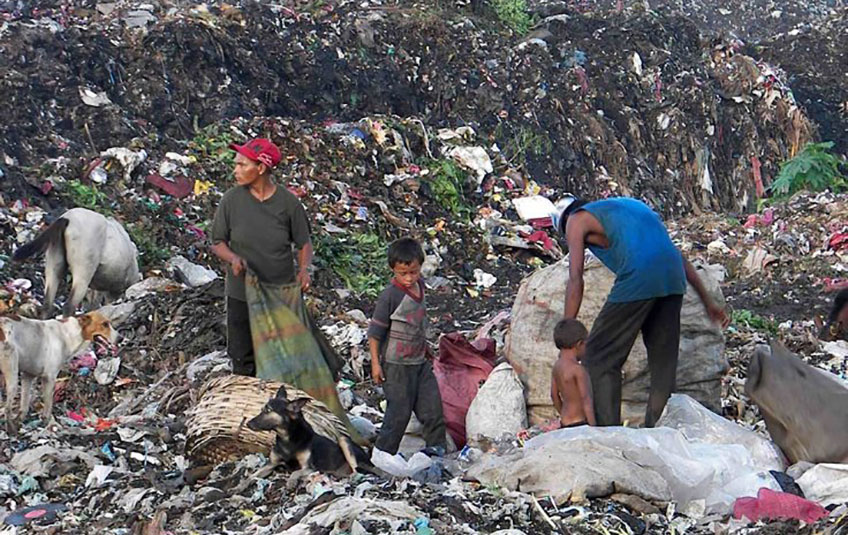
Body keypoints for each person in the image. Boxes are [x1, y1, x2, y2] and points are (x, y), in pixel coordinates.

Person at [551, 195, 729, 427]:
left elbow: (576, 277)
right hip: (673, 279)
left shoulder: (576, 219)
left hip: (639, 276)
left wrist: (568, 331)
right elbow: (674, 255)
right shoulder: (629, 207)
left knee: (598, 356)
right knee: (663, 367)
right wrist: (708, 302)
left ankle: (608, 433)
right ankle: (657, 433)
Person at [210, 138, 313, 376]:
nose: (235, 171)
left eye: (242, 165)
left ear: (261, 168)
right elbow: (217, 242)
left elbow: (303, 242)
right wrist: (233, 258)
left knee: (280, 357)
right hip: (240, 294)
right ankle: (248, 407)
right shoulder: (231, 200)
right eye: (236, 164)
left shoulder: (288, 204)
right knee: (243, 358)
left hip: (278, 293)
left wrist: (304, 269)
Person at [368, 237, 447, 456]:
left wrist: (427, 350)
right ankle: (381, 457)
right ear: (393, 269)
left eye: (414, 271)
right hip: (396, 366)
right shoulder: (390, 296)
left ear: (421, 266)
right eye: (403, 273)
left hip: (419, 361)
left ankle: (437, 452)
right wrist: (376, 364)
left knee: (432, 409)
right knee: (398, 414)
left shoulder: (421, 286)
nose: (409, 278)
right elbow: (375, 334)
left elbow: (418, 323)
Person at [551, 318, 596, 428]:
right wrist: (593, 428)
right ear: (579, 344)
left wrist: (562, 413)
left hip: (565, 421)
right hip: (579, 422)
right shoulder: (578, 370)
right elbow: (586, 400)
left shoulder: (557, 366)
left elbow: (554, 395)